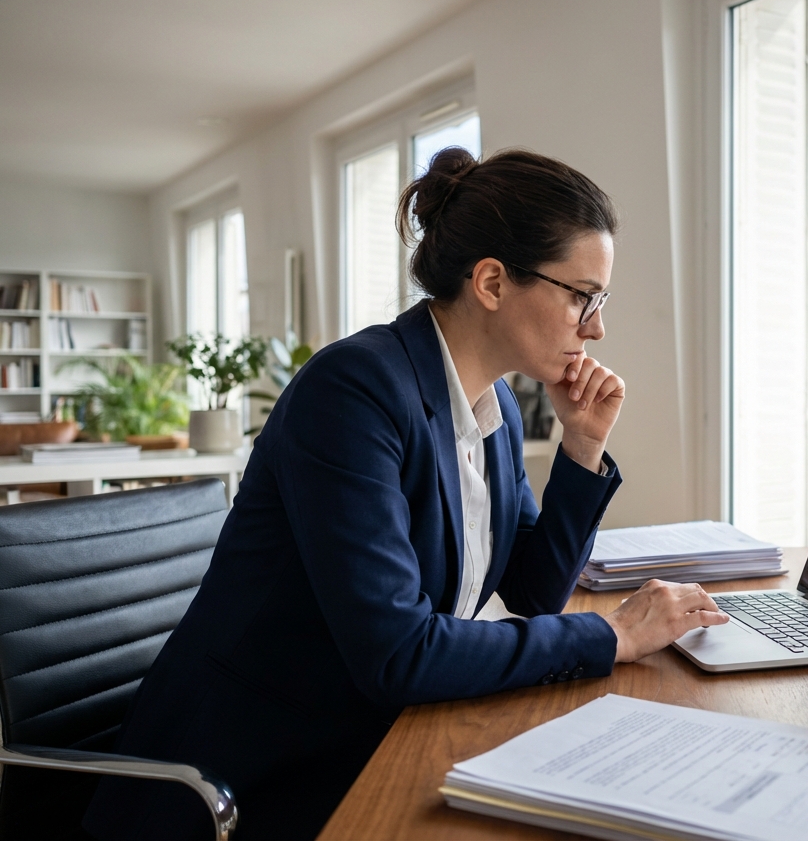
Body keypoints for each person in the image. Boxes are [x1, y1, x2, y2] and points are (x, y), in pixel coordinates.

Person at [83, 147, 728, 841]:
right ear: (491, 281)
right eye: (582, 296)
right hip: (253, 775)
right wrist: (612, 634)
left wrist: (581, 447)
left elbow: (536, 591)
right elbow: (399, 654)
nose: (595, 327)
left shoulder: (498, 409)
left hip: (368, 731)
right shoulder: (353, 393)